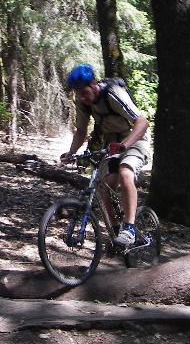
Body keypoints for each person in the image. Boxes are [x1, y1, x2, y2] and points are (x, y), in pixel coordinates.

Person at [60, 63, 150, 246]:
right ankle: (116, 233)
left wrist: (124, 145)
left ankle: (130, 229)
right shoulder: (83, 102)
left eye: (83, 92)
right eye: (77, 94)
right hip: (110, 144)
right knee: (105, 187)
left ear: (93, 83)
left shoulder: (113, 93)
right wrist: (71, 153)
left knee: (126, 173)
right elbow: (81, 131)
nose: (82, 98)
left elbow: (142, 122)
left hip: (135, 139)